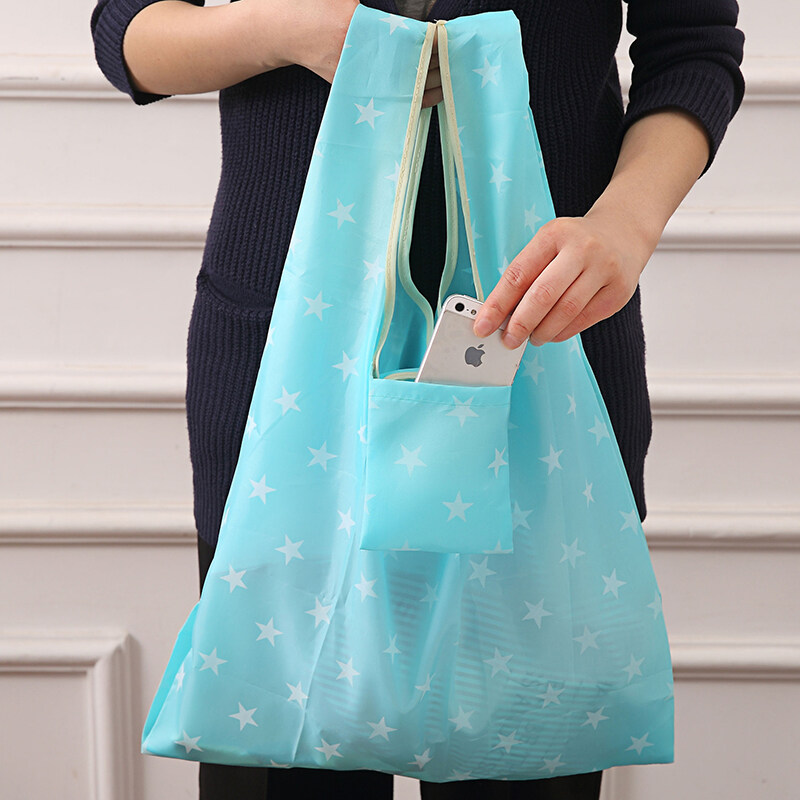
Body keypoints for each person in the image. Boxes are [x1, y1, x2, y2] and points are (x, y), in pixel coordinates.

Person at [90, 0, 745, 797]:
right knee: (283, 764)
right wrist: (284, 31)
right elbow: (126, 32)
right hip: (280, 376)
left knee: (525, 756)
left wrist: (624, 225)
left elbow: (693, 46)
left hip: (545, 346)